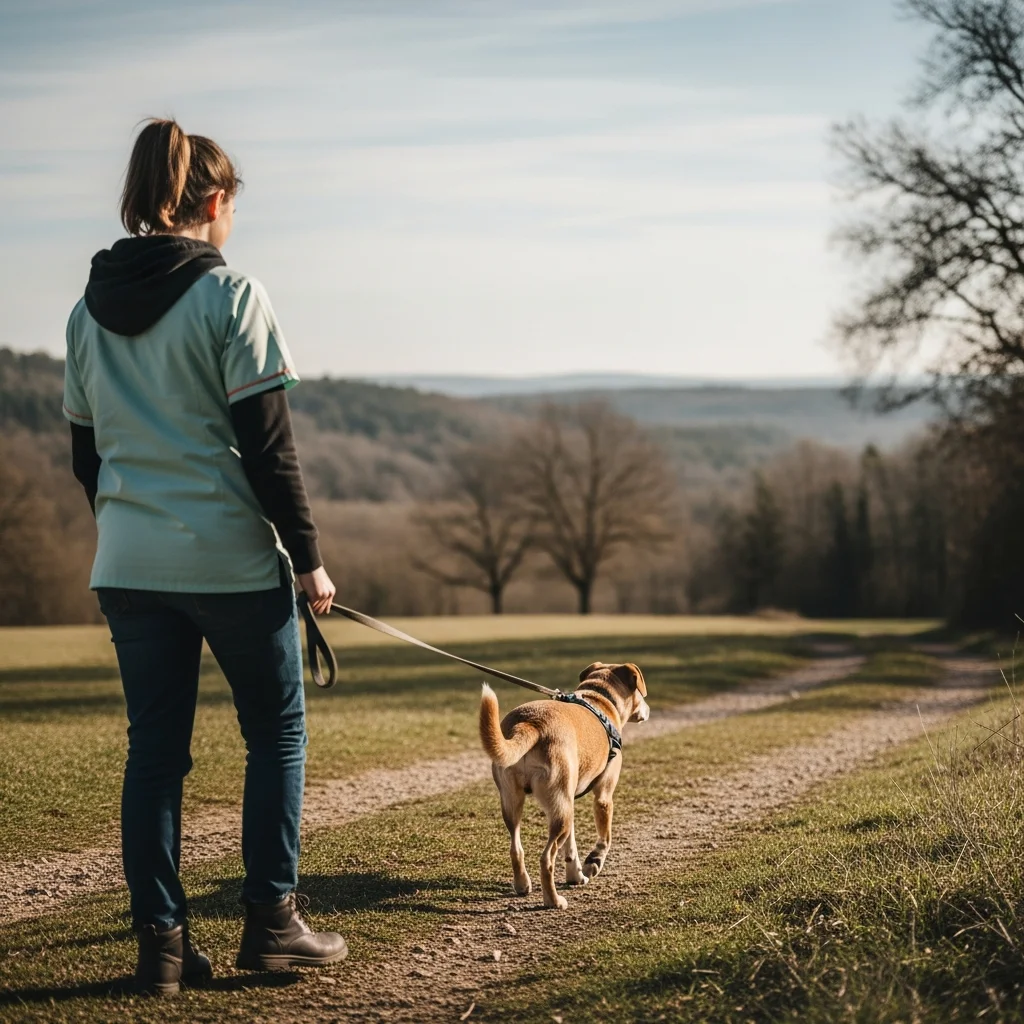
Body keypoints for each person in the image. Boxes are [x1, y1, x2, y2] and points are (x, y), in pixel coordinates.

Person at [63, 118, 348, 996]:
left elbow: (86, 455)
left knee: (154, 754)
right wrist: (307, 560)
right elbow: (270, 449)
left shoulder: (84, 312)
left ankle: (161, 948)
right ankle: (271, 925)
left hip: (127, 564)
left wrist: (131, 526)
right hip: (228, 564)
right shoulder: (232, 298)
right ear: (215, 203)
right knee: (276, 735)